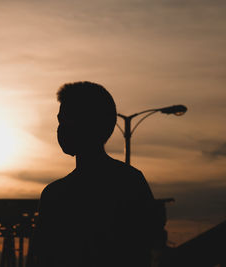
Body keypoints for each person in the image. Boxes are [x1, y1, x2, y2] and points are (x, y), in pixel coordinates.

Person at [33, 81, 157, 267]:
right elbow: (146, 246)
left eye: (68, 119)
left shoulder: (55, 194)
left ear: (90, 123)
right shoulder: (131, 181)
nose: (61, 127)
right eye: (60, 120)